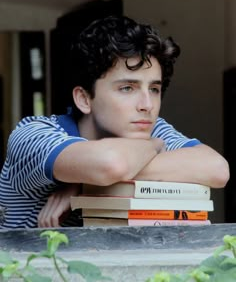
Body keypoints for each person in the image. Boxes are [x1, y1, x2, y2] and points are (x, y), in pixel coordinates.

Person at [0, 16, 229, 228]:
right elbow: (111, 164)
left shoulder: (149, 127)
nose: (147, 105)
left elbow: (217, 169)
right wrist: (154, 146)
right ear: (84, 98)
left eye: (154, 89)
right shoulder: (33, 135)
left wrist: (81, 185)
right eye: (127, 88)